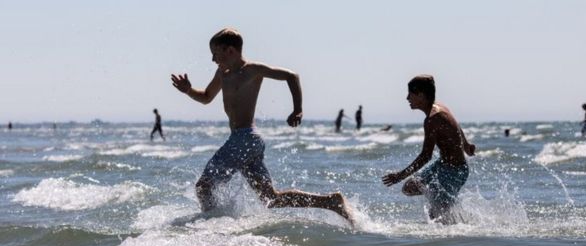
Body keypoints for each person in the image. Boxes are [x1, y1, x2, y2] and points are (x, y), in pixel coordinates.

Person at [171, 28, 352, 223]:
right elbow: (206, 97)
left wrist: (297, 109)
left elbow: (292, 76)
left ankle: (212, 226)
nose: (213, 59)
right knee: (271, 199)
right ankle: (331, 202)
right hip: (248, 141)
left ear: (230, 50)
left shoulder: (252, 70)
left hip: (244, 138)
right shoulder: (222, 73)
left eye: (216, 53)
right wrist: (188, 90)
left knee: (204, 187)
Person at [382, 75, 476, 224]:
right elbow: (457, 127)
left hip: (455, 171)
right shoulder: (438, 108)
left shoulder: (432, 119)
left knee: (438, 219)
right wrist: (466, 145)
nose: (407, 98)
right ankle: (443, 204)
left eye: (410, 94)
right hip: (442, 165)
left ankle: (457, 221)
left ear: (420, 95)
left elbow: (426, 156)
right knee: (409, 187)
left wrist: (399, 176)